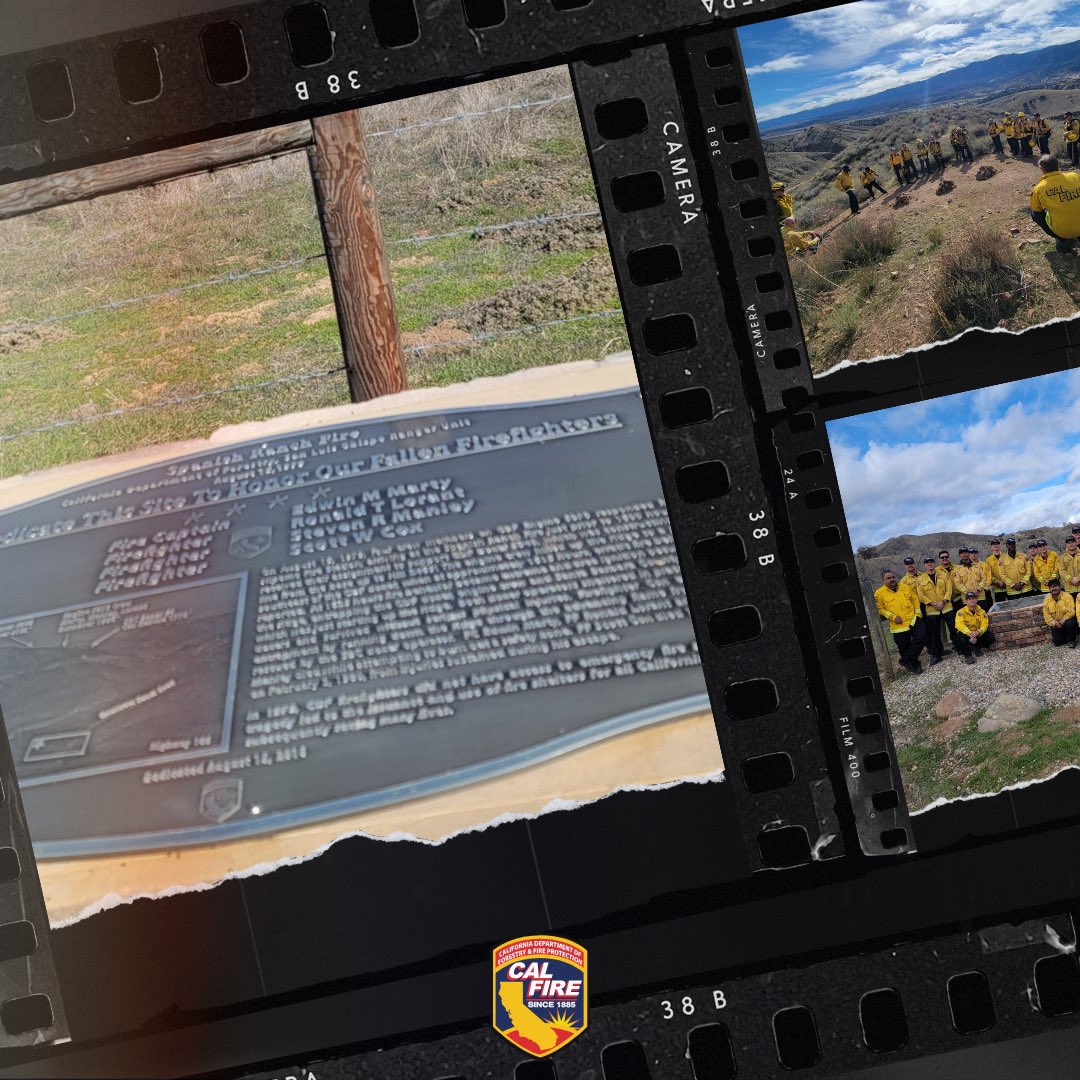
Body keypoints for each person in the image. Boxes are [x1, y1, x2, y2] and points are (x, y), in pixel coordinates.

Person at [875, 569, 924, 673]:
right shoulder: (879, 593)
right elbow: (880, 609)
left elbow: (914, 599)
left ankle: (905, 660)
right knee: (904, 647)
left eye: (893, 577)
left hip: (913, 619)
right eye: (888, 578)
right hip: (898, 626)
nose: (892, 579)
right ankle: (914, 665)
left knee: (922, 637)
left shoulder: (904, 586)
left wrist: (918, 613)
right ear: (883, 581)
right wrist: (892, 616)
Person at [1031, 155, 1080, 253]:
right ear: (1058, 166)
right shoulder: (1075, 176)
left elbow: (1036, 209)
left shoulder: (1039, 188)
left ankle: (1061, 238)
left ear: (1041, 169)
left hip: (1064, 231)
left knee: (1034, 213)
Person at [917, 555, 951, 664]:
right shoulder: (920, 579)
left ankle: (962, 649)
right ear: (924, 565)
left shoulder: (943, 574)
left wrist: (943, 601)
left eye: (931, 562)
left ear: (934, 563)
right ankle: (937, 655)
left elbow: (949, 589)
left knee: (954, 629)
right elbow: (921, 595)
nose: (930, 564)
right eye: (927, 562)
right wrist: (932, 603)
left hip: (946, 607)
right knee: (934, 634)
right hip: (932, 609)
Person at [953, 591, 996, 664]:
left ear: (977, 600)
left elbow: (985, 624)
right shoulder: (960, 612)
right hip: (967, 635)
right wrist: (970, 634)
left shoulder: (981, 611)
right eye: (969, 599)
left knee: (991, 637)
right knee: (960, 638)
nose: (972, 600)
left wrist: (978, 632)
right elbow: (959, 625)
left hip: (977, 634)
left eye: (973, 598)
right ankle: (967, 655)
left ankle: (977, 647)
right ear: (966, 601)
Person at [1043, 579, 1078, 648]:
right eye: (1052, 587)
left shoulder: (1067, 596)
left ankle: (1071, 640)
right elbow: (1046, 615)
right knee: (1057, 642)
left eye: (1056, 586)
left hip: (1066, 621)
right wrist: (1055, 623)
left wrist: (1061, 622)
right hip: (1056, 624)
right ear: (1049, 589)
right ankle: (1066, 636)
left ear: (1060, 587)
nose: (1054, 588)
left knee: (1071, 623)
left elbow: (1071, 612)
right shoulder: (1047, 600)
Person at [985, 538, 1008, 604]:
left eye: (997, 544)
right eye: (994, 544)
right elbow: (988, 575)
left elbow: (1011, 570)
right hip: (998, 589)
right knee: (1001, 608)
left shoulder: (1006, 556)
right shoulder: (988, 560)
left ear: (999, 545)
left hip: (1009, 587)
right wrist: (997, 581)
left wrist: (1005, 581)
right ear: (991, 546)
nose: (995, 545)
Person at [1061, 533, 1080, 601]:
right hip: (1069, 589)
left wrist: (1078, 579)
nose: (1071, 544)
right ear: (1066, 545)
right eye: (1068, 543)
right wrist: (1071, 579)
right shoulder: (1062, 558)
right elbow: (1062, 571)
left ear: (1076, 543)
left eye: (1072, 542)